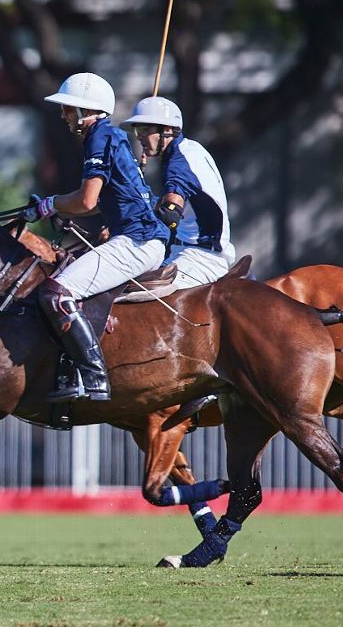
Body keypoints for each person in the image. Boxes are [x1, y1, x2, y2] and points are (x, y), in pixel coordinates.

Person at [23, 73, 169, 401]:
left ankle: (92, 376)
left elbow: (86, 200)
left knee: (55, 294)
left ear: (84, 112)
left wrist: (48, 205)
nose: (63, 117)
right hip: (136, 236)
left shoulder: (99, 136)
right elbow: (95, 203)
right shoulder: (108, 136)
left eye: (67, 110)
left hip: (137, 241)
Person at [120, 96, 235, 288]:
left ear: (167, 130)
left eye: (144, 129)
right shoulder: (188, 149)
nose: (139, 136)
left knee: (132, 297)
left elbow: (170, 214)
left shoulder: (179, 162)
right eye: (136, 130)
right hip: (187, 252)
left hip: (200, 259)